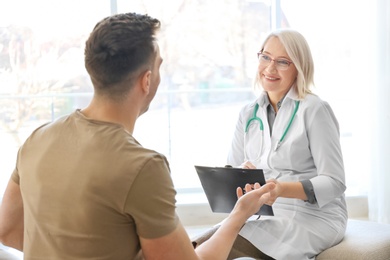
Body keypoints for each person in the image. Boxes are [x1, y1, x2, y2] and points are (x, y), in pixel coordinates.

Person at [0, 12, 276, 260]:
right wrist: (239, 215)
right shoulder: (143, 166)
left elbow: (8, 229)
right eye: (159, 66)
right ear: (146, 81)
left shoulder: (37, 138)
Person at [194, 29, 348, 260]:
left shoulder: (315, 110)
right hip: (263, 212)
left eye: (283, 62)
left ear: (299, 67)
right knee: (196, 244)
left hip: (315, 216)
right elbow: (232, 168)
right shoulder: (248, 113)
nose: (270, 68)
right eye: (265, 57)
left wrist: (280, 189)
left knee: (224, 246)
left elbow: (334, 182)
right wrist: (241, 176)